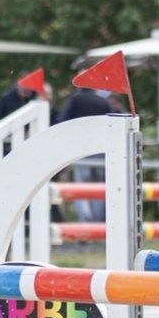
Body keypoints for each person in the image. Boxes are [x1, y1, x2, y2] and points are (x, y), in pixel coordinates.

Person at [59, 88, 114, 222]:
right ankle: (98, 221)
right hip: (101, 151)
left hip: (81, 151)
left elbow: (63, 122)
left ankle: (84, 222)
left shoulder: (74, 100)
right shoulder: (103, 101)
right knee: (100, 187)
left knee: (81, 188)